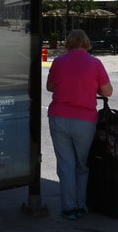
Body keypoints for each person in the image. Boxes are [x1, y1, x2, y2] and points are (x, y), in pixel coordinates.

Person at [46, 29, 113, 220]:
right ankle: (80, 204)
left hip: (58, 117)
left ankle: (68, 207)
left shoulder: (58, 62)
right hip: (84, 120)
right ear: (86, 42)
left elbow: (50, 86)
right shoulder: (95, 63)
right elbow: (107, 92)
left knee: (65, 164)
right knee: (82, 165)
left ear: (68, 43)